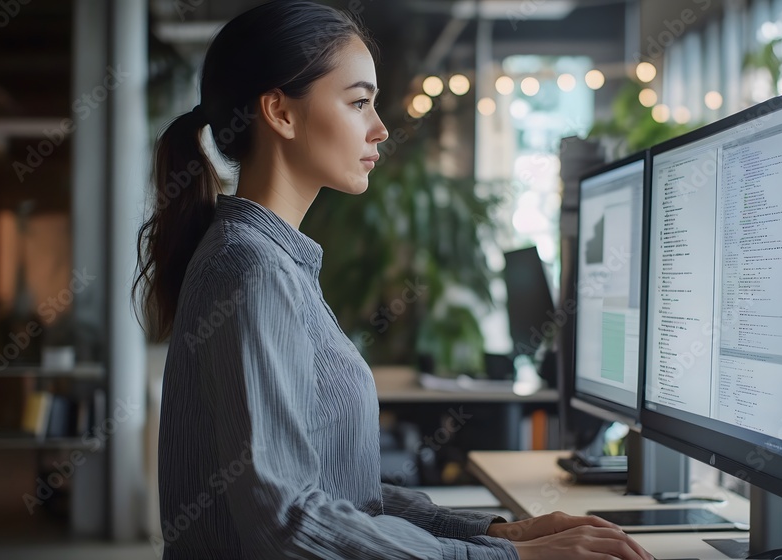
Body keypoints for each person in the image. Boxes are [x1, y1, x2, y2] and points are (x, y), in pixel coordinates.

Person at [133, 1, 653, 559]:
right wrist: (510, 559)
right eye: (358, 102)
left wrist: (495, 533)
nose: (380, 128)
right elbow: (288, 522)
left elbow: (342, 496)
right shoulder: (254, 268)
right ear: (280, 113)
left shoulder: (270, 260)